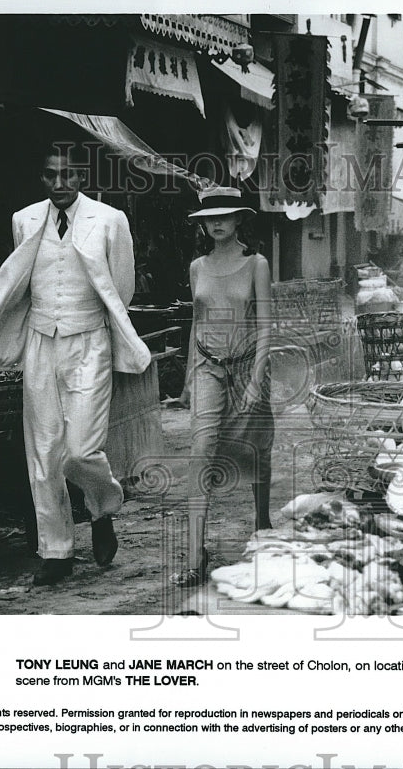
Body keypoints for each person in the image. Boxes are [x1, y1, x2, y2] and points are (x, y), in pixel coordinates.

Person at [0, 142, 151, 585]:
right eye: (50, 174)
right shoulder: (24, 219)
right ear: (41, 177)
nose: (59, 184)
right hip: (39, 342)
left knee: (81, 449)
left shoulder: (110, 221)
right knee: (43, 452)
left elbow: (122, 289)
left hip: (89, 342)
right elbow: (23, 279)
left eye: (68, 174)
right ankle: (56, 552)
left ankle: (101, 508)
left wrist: (89, 323)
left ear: (83, 176)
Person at [172, 187, 274, 587]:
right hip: (207, 368)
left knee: (258, 448)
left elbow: (266, 325)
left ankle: (262, 523)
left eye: (225, 215)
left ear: (238, 220)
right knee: (201, 452)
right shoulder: (197, 266)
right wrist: (187, 378)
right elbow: (197, 322)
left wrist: (255, 379)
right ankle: (196, 556)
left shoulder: (257, 264)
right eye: (209, 217)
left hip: (248, 363)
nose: (216, 223)